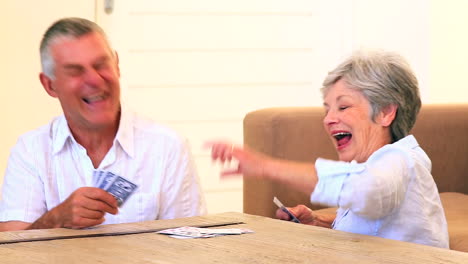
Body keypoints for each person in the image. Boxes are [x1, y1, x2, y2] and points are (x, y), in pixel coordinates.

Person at [207, 50, 449, 248]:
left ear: (386, 112)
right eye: (327, 109)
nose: (328, 119)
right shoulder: (372, 168)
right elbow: (378, 224)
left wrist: (264, 166)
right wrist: (320, 222)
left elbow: (366, 192)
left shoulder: (399, 160)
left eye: (343, 107)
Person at [0, 17, 206, 231]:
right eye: (76, 71)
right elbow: (11, 248)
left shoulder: (168, 146)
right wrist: (55, 220)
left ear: (117, 66)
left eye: (101, 65)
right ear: (50, 85)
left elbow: (191, 243)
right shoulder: (30, 150)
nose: (95, 80)